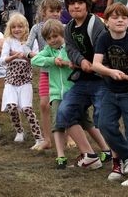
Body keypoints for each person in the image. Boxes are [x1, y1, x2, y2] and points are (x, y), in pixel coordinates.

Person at [92, 2, 128, 186]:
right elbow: (96, 64)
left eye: (124, 17)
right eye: (115, 17)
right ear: (107, 22)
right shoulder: (103, 39)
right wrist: (110, 72)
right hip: (110, 90)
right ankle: (127, 156)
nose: (120, 20)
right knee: (104, 125)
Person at [56, 0, 111, 170]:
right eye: (71, 4)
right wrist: (80, 60)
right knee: (64, 112)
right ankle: (89, 156)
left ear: (87, 5)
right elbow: (70, 49)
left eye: (80, 3)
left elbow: (104, 47)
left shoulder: (95, 24)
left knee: (102, 117)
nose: (75, 7)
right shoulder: (69, 28)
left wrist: (93, 63)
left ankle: (120, 155)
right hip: (82, 81)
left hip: (101, 80)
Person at [31, 18, 76, 167]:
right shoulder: (48, 50)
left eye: (55, 36)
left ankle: (91, 151)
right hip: (56, 92)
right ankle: (60, 155)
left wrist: (64, 61)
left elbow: (74, 62)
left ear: (62, 35)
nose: (52, 40)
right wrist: (52, 60)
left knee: (78, 121)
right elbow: (35, 60)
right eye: (49, 38)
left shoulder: (69, 47)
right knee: (57, 122)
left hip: (73, 91)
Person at [0, 13, 44, 149]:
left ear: (25, 27)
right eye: (14, 27)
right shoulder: (8, 41)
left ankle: (39, 137)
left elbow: (36, 58)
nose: (17, 29)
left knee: (27, 108)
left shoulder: (30, 41)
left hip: (25, 80)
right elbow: (3, 60)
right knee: (12, 106)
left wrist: (23, 55)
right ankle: (19, 130)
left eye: (20, 26)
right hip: (10, 80)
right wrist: (14, 56)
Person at [26, 0, 62, 150]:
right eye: (52, 10)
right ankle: (47, 139)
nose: (55, 14)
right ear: (43, 12)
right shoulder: (37, 28)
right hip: (45, 72)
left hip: (62, 73)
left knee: (63, 105)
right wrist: (35, 56)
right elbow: (27, 46)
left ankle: (67, 138)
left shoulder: (64, 27)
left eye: (58, 10)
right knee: (44, 105)